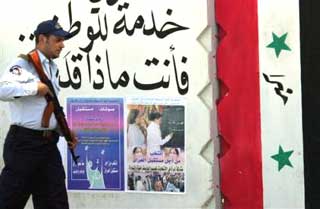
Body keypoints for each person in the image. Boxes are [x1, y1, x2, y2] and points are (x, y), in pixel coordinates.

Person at [0, 19, 78, 209]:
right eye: (58, 40)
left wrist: (64, 131)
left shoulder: (52, 67)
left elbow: (48, 108)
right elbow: (2, 90)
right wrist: (35, 88)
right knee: (9, 201)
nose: (62, 44)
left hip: (48, 145)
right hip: (24, 145)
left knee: (55, 202)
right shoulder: (24, 63)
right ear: (42, 39)